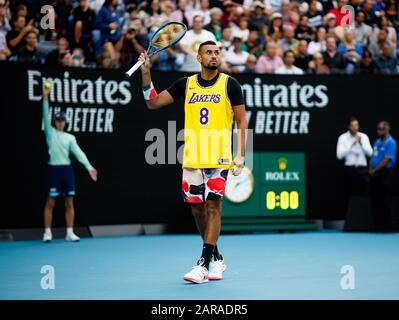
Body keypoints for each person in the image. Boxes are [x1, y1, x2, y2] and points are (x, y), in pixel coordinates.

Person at [138, 40, 247, 283]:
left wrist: (240, 154)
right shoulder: (186, 84)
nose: (214, 56)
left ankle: (203, 263)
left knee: (213, 206)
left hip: (219, 158)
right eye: (208, 52)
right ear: (199, 58)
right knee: (197, 209)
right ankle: (217, 258)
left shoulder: (230, 84)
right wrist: (146, 73)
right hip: (192, 157)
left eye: (217, 52)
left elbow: (241, 121)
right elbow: (152, 102)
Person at [41, 86, 98, 242]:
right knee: (50, 202)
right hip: (54, 170)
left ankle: (70, 233)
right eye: (58, 120)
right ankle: (47, 232)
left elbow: (79, 153)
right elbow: (45, 116)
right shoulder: (50, 133)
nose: (60, 123)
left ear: (65, 122)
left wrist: (89, 167)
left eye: (62, 120)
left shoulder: (70, 137)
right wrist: (45, 99)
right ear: (55, 122)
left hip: (67, 170)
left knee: (69, 202)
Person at [370, 121, 397, 232]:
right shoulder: (377, 141)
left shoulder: (391, 143)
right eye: (378, 129)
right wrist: (370, 169)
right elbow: (373, 156)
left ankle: (388, 227)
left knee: (386, 201)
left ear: (387, 129)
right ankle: (378, 226)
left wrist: (375, 169)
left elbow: (386, 159)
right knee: (376, 200)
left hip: (385, 174)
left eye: (381, 129)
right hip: (375, 174)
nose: (378, 131)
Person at [336, 117, 373, 197]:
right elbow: (339, 156)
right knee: (348, 194)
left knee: (365, 194)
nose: (354, 127)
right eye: (352, 125)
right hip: (349, 169)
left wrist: (361, 143)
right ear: (348, 126)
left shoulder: (364, 136)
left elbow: (370, 154)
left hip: (362, 170)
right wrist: (351, 143)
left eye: (356, 125)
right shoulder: (342, 138)